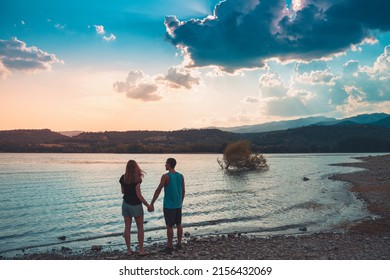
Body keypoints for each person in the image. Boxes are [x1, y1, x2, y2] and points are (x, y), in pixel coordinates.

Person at [150, 158, 185, 254]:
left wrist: (152, 203)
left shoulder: (165, 176)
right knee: (179, 224)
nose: (164, 165)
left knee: (169, 226)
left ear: (169, 165)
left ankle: (170, 247)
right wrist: (180, 202)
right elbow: (183, 191)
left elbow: (158, 190)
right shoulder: (181, 176)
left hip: (169, 206)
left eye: (165, 163)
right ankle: (179, 244)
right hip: (178, 205)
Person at [120, 160, 152, 255]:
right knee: (140, 228)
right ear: (135, 167)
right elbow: (139, 195)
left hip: (125, 204)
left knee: (127, 228)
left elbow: (123, 192)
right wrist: (148, 205)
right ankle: (141, 250)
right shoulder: (137, 178)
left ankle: (129, 250)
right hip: (136, 206)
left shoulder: (123, 177)